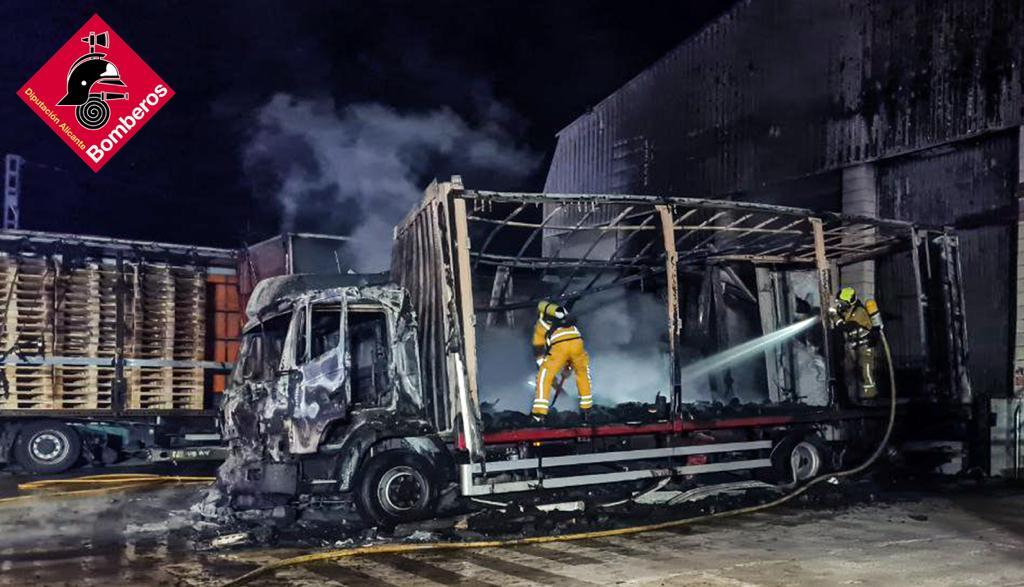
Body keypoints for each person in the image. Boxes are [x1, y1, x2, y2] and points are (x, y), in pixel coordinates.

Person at [531, 300, 592, 419]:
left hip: (560, 345)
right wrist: (568, 368)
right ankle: (586, 409)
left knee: (543, 376)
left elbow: (538, 348)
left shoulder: (540, 325)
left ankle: (539, 413)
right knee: (582, 373)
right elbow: (570, 352)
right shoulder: (565, 318)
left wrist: (542, 365)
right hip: (577, 342)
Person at [830, 287, 882, 400]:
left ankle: (870, 396)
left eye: (842, 303)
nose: (839, 305)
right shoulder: (848, 311)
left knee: (866, 372)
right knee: (850, 370)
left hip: (865, 346)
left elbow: (845, 326)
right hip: (854, 346)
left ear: (849, 303)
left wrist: (834, 316)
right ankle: (853, 396)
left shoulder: (859, 313)